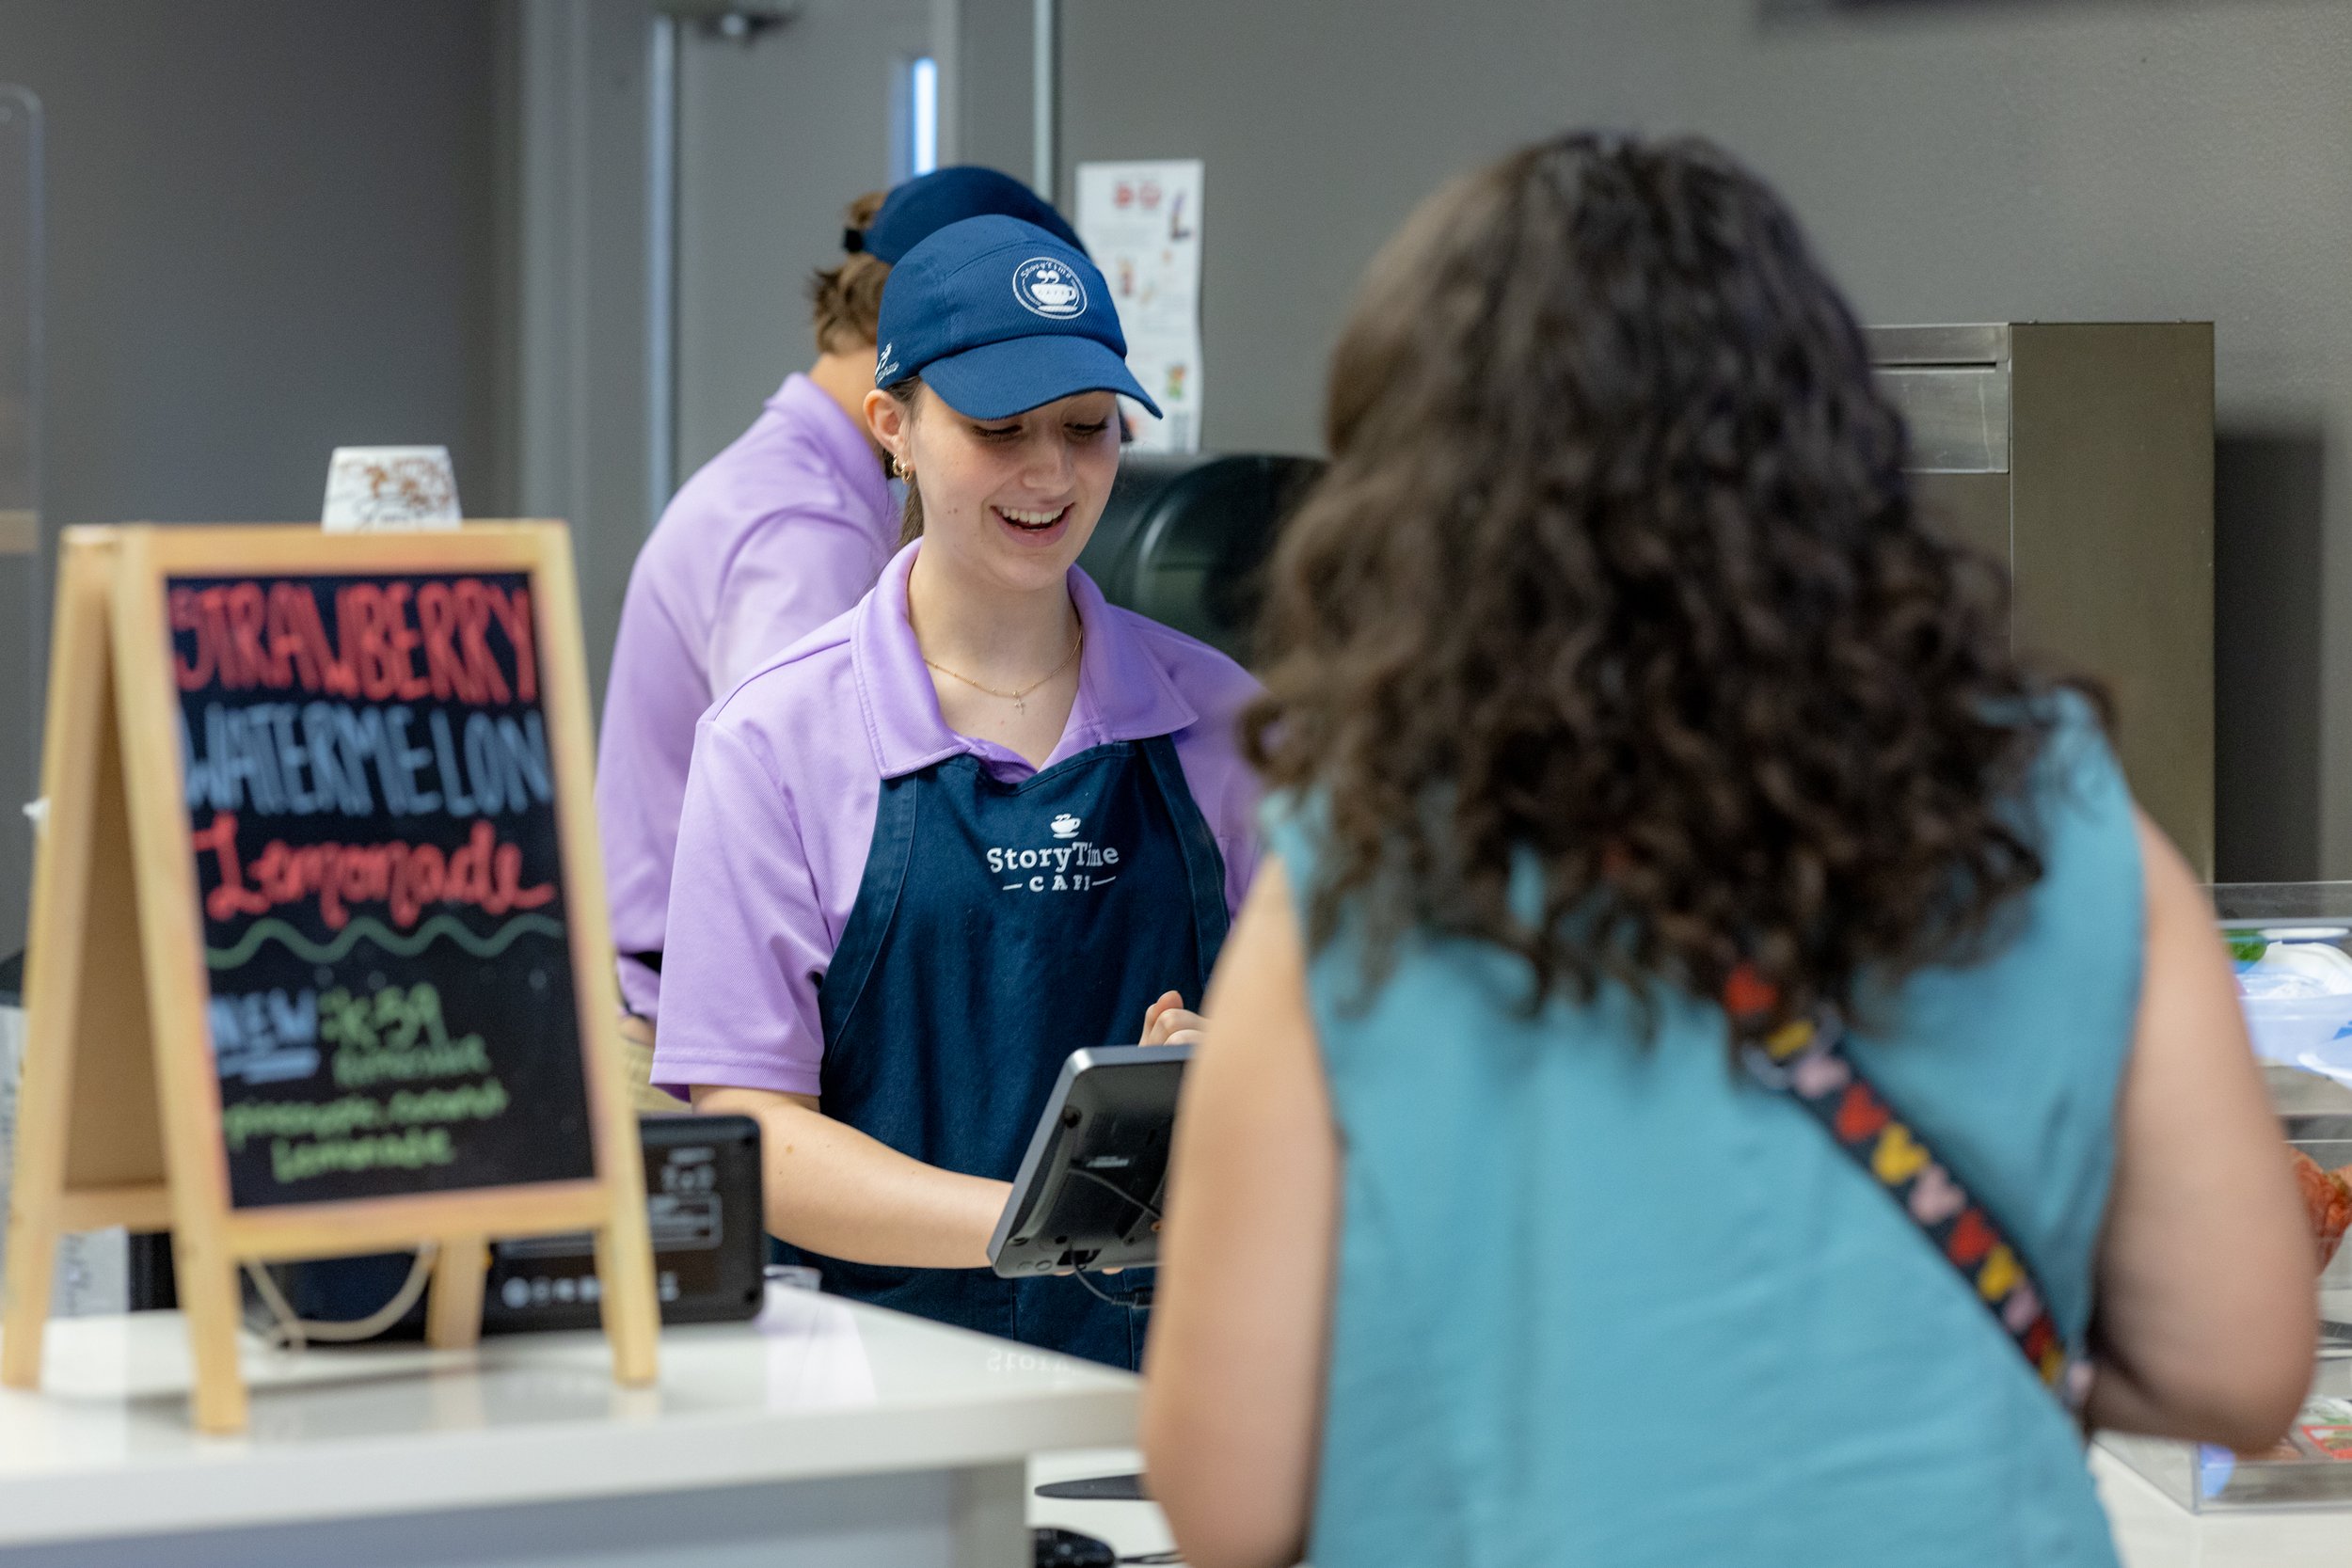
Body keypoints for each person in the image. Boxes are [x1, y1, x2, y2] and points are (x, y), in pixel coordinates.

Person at [1139, 135, 2315, 1568]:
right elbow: (2240, 1361)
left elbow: (1230, 1496)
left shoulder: (1357, 872)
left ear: (1415, 502)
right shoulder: (2056, 810)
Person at [653, 215, 1262, 1370]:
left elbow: (1350, 1063)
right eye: (997, 429)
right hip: (883, 1391)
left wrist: (1237, 1067)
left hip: (1175, 1387)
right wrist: (1044, 1221)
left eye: (1085, 427)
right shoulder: (772, 742)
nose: (1050, 473)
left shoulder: (1233, 725)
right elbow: (753, 1129)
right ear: (893, 426)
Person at [597, 167, 1083, 1107]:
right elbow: (831, 809)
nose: (1047, 459)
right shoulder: (802, 528)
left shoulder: (815, 484)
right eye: (1003, 409)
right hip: (689, 1062)